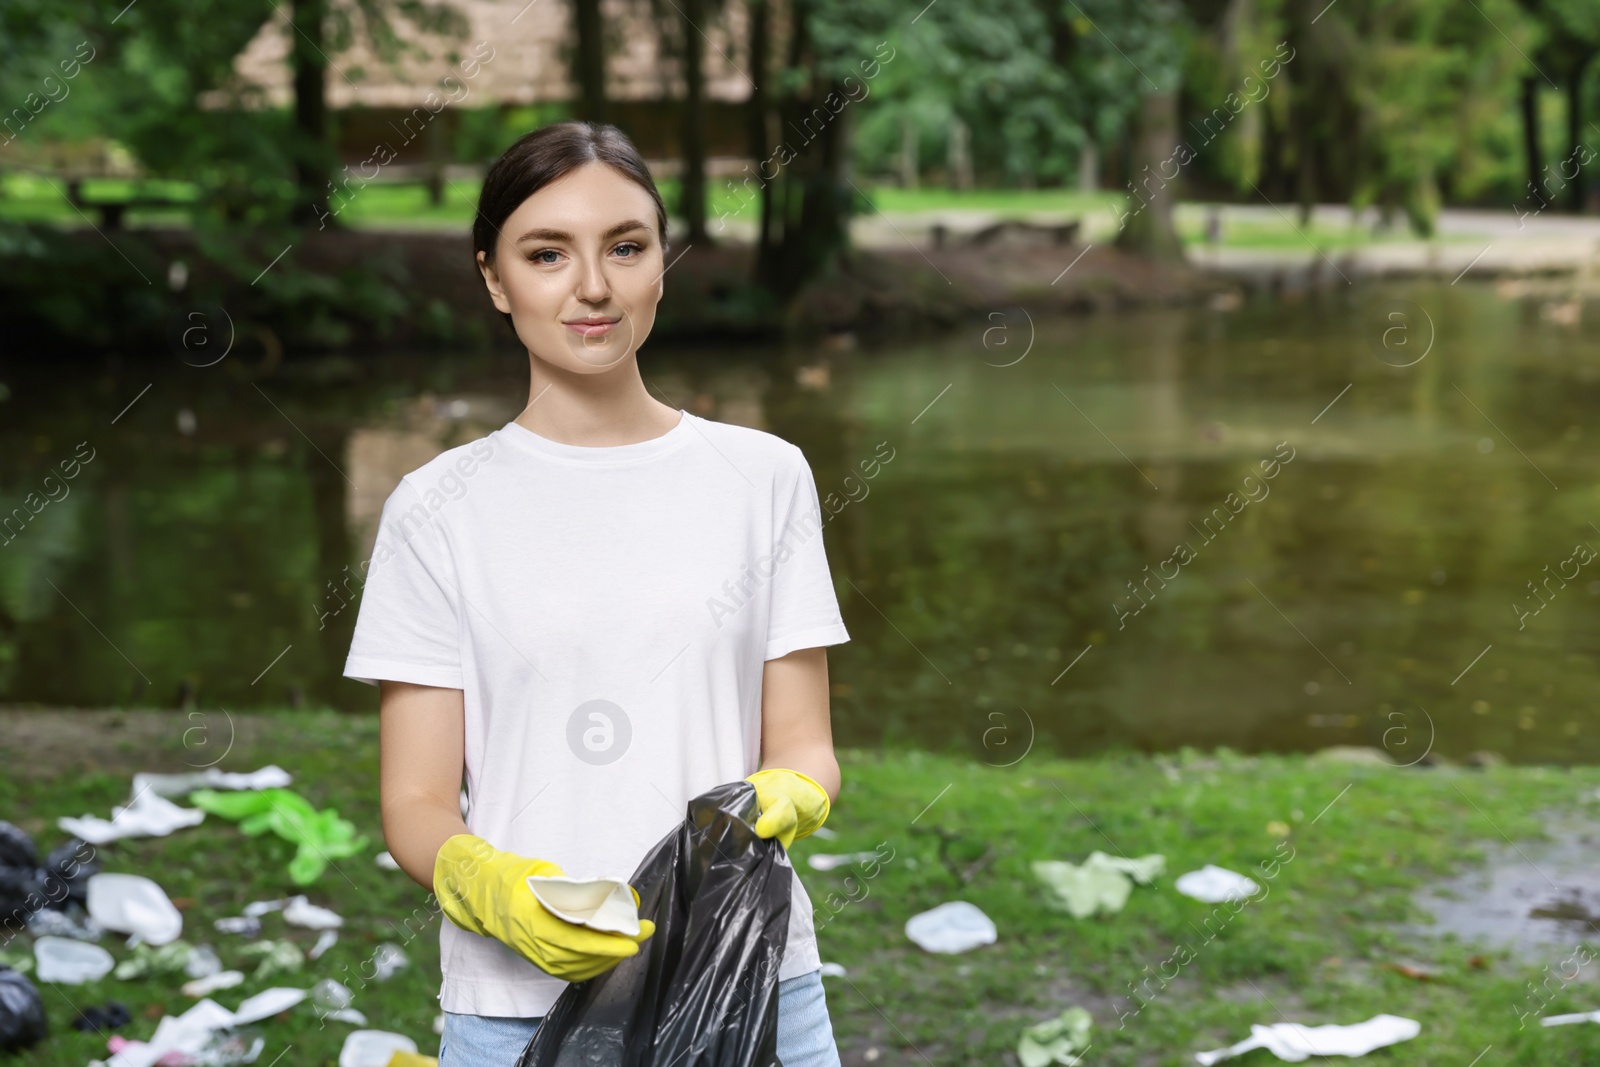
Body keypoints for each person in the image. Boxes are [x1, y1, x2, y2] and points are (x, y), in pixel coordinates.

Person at [342, 120, 850, 1066]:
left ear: (663, 259)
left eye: (626, 246)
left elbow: (807, 748)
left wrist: (792, 791)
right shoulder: (436, 508)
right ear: (495, 278)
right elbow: (416, 800)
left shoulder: (765, 476)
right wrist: (488, 884)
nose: (593, 287)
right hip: (512, 1008)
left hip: (750, 982)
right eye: (547, 253)